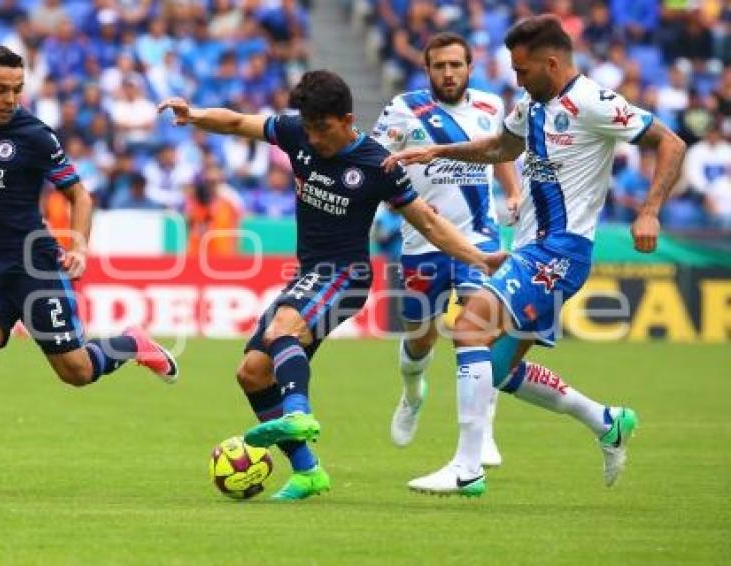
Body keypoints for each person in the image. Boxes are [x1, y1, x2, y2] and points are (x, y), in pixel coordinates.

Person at [158, 70, 507, 501]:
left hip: (347, 276)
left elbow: (430, 224)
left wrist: (479, 259)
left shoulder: (377, 164)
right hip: (309, 275)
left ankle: (298, 413)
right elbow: (236, 123)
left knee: (282, 329)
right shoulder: (296, 134)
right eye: (308, 128)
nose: (314, 139)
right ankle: (307, 472)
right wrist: (194, 115)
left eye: (321, 129)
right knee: (251, 373)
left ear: (346, 119)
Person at [383, 16, 685, 497]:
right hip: (530, 247)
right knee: (499, 369)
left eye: (522, 70)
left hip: (559, 249)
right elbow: (499, 147)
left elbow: (670, 142)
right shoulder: (531, 104)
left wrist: (649, 210)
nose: (516, 80)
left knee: (468, 327)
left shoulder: (594, 102)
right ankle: (606, 421)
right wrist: (437, 150)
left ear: (550, 62)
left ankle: (467, 468)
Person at [0, 44, 178, 497]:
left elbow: (80, 196)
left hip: (35, 270)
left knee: (75, 372)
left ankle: (132, 343)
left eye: (17, 89)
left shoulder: (35, 135)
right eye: (0, 90)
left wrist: (80, 246)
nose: (11, 99)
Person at [373, 32, 521, 464]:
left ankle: (485, 430)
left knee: (480, 329)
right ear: (428, 69)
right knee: (420, 339)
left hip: (479, 239)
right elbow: (378, 160)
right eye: (440, 65)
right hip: (424, 242)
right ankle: (413, 393)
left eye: (456, 64)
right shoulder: (404, 110)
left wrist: (511, 192)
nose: (449, 72)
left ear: (470, 68)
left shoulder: (491, 106)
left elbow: (500, 152)